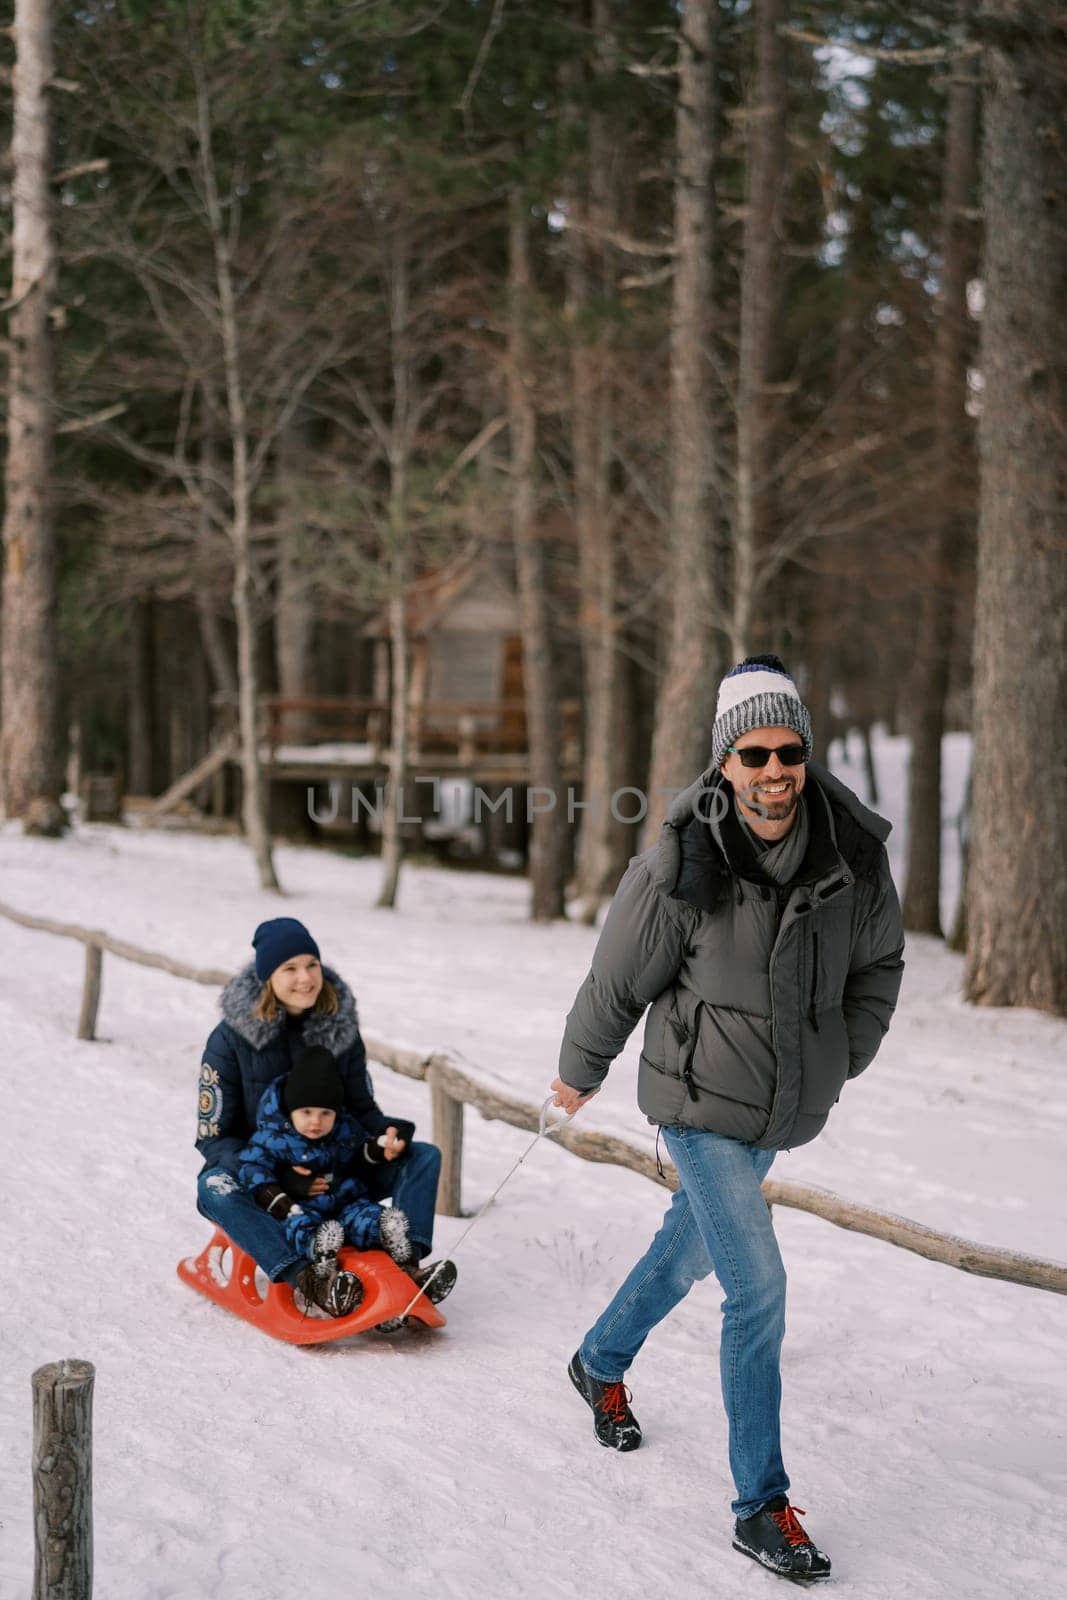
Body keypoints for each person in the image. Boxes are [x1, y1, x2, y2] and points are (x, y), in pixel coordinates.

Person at [551, 654, 905, 1583]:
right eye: (754, 753)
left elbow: (881, 967)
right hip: (697, 1103)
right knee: (756, 1289)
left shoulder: (852, 857)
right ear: (724, 762)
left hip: (781, 1106)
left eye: (788, 750)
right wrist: (577, 1070)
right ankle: (758, 1505)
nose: (774, 770)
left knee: (688, 1250)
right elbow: (618, 978)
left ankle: (598, 1358)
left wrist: (841, 1053)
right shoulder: (678, 862)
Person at [196, 916, 457, 1319]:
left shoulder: (340, 1029)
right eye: (290, 968)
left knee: (423, 1155)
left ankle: (406, 1264)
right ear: (268, 977)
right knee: (213, 1186)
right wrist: (274, 1178)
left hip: (336, 1170)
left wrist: (387, 1134)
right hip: (264, 1173)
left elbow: (361, 1109)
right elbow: (213, 1137)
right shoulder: (229, 1040)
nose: (305, 978)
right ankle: (307, 1278)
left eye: (311, 965)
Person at [237, 1046, 432, 1318]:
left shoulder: (343, 1130)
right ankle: (322, 1255)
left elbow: (359, 1154)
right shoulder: (272, 1137)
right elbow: (252, 1169)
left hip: (344, 1202)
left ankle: (393, 1240)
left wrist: (378, 1148)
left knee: (367, 1214)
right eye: (306, 1112)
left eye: (325, 1114)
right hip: (301, 1208)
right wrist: (281, 1194)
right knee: (298, 1223)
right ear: (291, 1110)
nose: (316, 1122)